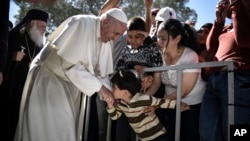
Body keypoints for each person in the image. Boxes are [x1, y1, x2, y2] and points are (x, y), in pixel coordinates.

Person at [14, 8, 127, 141]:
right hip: (49, 80)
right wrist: (102, 90)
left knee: (65, 131)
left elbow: (100, 73)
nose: (116, 39)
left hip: (68, 86)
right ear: (106, 22)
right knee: (53, 130)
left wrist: (111, 95)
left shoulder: (106, 39)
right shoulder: (81, 24)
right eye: (116, 33)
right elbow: (70, 65)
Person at [199, 0, 250, 141]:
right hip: (214, 81)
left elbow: (243, 40)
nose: (227, 3)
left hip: (238, 80)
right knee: (208, 132)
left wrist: (236, 5)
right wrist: (219, 21)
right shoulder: (227, 27)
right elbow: (211, 48)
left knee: (238, 133)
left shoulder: (245, 22)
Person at [0, 9, 49, 141]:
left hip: (31, 93)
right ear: (32, 24)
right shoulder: (14, 37)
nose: (45, 30)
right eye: (42, 26)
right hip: (13, 90)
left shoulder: (40, 46)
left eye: (46, 27)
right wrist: (12, 57)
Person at [155, 19, 206, 141]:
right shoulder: (159, 54)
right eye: (158, 37)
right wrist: (142, 99)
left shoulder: (190, 56)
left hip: (192, 104)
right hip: (170, 102)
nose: (159, 42)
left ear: (177, 39)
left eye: (163, 38)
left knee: (188, 137)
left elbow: (184, 90)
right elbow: (156, 83)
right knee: (171, 136)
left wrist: (157, 104)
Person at [106, 70, 190, 141]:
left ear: (125, 93)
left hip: (158, 136)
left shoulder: (144, 99)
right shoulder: (122, 104)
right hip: (144, 138)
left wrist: (179, 105)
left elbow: (161, 102)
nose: (111, 89)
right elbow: (115, 117)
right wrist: (110, 106)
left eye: (114, 87)